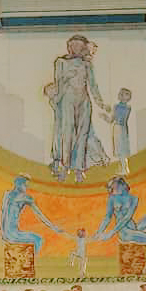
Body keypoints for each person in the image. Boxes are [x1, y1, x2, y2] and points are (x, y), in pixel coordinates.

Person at [44, 34, 110, 182]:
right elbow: (59, 82)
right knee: (66, 134)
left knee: (82, 135)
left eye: (80, 46)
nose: (76, 48)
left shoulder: (87, 64)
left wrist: (101, 103)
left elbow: (92, 85)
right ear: (69, 46)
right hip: (67, 100)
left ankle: (79, 169)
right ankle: (65, 167)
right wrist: (56, 99)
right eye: (73, 45)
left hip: (84, 101)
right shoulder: (61, 62)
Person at [0, 176, 61, 255]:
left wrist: (2, 233)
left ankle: (26, 258)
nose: (27, 187)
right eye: (25, 185)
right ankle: (33, 259)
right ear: (19, 184)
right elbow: (40, 215)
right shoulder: (25, 197)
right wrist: (54, 228)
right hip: (13, 233)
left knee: (31, 244)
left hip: (6, 233)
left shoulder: (7, 194)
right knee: (38, 240)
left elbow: (3, 213)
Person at [102, 87, 132, 174]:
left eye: (123, 94)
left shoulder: (120, 107)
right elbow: (112, 119)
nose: (120, 95)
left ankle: (124, 169)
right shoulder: (123, 107)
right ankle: (123, 168)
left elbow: (113, 119)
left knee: (121, 149)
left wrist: (106, 115)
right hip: (120, 128)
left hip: (120, 128)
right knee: (120, 149)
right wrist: (106, 116)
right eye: (120, 94)